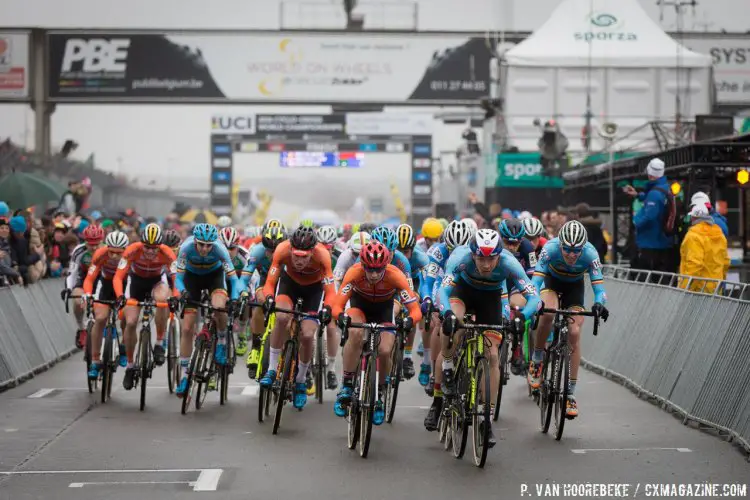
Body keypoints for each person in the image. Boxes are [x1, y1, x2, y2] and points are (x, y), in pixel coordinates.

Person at [432, 228, 541, 446]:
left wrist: (522, 317)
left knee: (492, 355)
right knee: (455, 323)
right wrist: (447, 314)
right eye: (481, 257)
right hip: (462, 292)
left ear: (499, 255)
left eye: (491, 258)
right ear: (473, 254)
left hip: (491, 297)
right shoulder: (460, 258)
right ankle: (447, 365)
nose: (486, 263)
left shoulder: (509, 263)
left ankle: (486, 420)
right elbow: (442, 292)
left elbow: (534, 297)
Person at [331, 241, 422, 425]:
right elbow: (337, 304)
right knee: (355, 333)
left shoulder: (395, 276)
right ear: (362, 265)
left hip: (384, 310)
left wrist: (409, 321)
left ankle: (380, 393)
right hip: (359, 306)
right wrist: (340, 316)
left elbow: (415, 309)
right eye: (369, 269)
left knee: (385, 350)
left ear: (386, 265)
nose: (373, 274)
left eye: (378, 270)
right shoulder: (354, 272)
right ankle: (347, 386)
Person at [529, 220, 609, 418]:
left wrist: (599, 303)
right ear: (560, 244)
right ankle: (537, 359)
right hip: (551, 282)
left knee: (574, 332)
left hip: (574, 288)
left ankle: (570, 394)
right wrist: (533, 302)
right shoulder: (549, 249)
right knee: (549, 312)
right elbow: (535, 281)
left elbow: (600, 289)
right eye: (567, 250)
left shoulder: (590, 254)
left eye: (577, 251)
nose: (572, 255)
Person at [259, 225, 335, 410]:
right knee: (282, 318)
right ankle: (271, 370)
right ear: (291, 250)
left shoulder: (323, 256)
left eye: (304, 257)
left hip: (313, 291)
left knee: (308, 334)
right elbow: (270, 282)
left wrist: (327, 309)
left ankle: (301, 382)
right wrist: (269, 298)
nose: (299, 260)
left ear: (312, 252)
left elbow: (331, 292)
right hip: (289, 285)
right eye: (296, 256)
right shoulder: (282, 249)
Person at [173, 223, 240, 397]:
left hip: (214, 277)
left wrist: (233, 300)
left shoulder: (220, 250)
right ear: (195, 241)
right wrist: (183, 292)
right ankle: (185, 376)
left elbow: (233, 280)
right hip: (191, 279)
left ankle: (222, 342)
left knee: (219, 307)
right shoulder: (186, 249)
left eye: (208, 245)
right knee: (187, 328)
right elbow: (178, 279)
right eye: (201, 244)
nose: (205, 249)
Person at [113, 223, 177, 391]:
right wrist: (120, 296)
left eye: (154, 248)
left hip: (156, 282)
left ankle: (159, 343)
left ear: (160, 246)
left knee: (163, 300)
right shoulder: (132, 250)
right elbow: (119, 277)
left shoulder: (167, 253)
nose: (149, 251)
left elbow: (177, 277)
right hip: (135, 283)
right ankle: (130, 366)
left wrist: (176, 297)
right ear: (142, 244)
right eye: (147, 247)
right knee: (132, 322)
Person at [418, 220, 474, 400]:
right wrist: (428, 300)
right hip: (443, 284)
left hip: (468, 286)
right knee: (439, 322)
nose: (456, 253)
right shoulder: (438, 252)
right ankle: (436, 371)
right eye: (452, 249)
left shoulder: (475, 253)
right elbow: (429, 282)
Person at [81, 231, 130, 379]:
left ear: (125, 250)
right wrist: (88, 295)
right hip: (106, 284)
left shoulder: (131, 256)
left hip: (125, 284)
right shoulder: (100, 254)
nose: (114, 256)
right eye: (111, 252)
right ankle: (95, 361)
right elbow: (90, 279)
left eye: (118, 253)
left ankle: (123, 347)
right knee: (100, 319)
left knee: (127, 317)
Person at [241, 225, 288, 377]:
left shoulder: (290, 252)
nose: (272, 254)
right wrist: (243, 292)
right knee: (259, 305)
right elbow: (245, 276)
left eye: (276, 250)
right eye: (269, 249)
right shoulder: (257, 251)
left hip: (285, 282)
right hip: (264, 280)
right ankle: (255, 348)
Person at [622, 158, 675, 272]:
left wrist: (636, 223)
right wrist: (638, 195)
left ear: (650, 173)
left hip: (650, 243)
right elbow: (655, 201)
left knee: (645, 281)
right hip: (661, 241)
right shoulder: (665, 188)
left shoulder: (654, 194)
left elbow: (650, 216)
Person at [396, 223, 430, 380]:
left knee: (413, 310)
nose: (403, 255)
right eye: (399, 251)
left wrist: (418, 296)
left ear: (413, 248)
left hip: (415, 282)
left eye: (406, 251)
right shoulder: (392, 256)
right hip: (396, 281)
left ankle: (407, 357)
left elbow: (426, 282)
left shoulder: (421, 258)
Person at [62, 224, 105, 348]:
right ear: (85, 242)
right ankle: (81, 328)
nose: (94, 247)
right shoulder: (79, 251)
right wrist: (68, 289)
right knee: (77, 299)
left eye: (97, 243)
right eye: (91, 244)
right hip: (84, 279)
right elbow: (72, 273)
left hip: (102, 280)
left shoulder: (108, 251)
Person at [678, 204, 729, 293]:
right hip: (716, 289)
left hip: (698, 291)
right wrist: (721, 282)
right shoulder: (719, 235)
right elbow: (726, 262)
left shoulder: (693, 236)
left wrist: (685, 288)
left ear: (693, 218)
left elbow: (694, 265)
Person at [219, 226, 251, 356]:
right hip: (220, 281)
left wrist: (244, 294)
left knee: (247, 298)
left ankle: (242, 333)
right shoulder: (213, 253)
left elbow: (251, 278)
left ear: (237, 247)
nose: (227, 252)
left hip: (238, 281)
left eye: (231, 248)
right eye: (224, 248)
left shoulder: (244, 256)